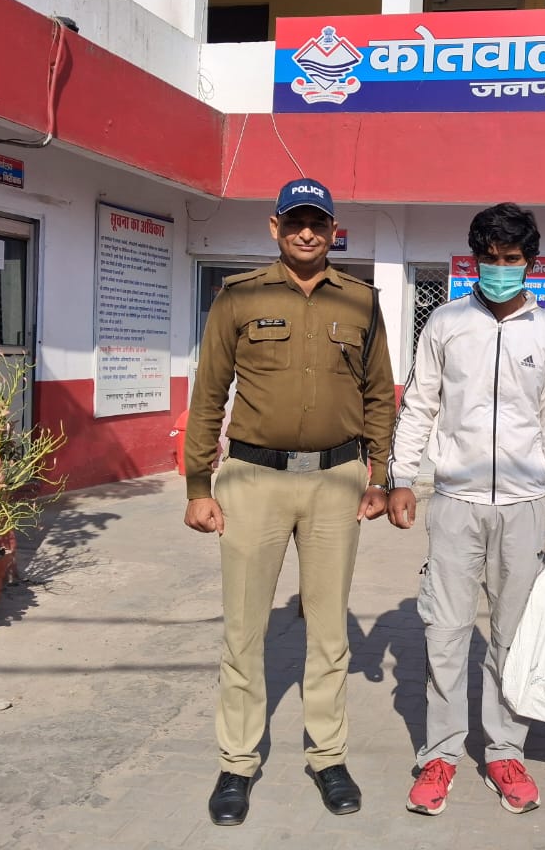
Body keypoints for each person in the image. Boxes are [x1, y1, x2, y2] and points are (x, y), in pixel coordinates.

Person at [184, 177, 396, 826]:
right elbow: (209, 392)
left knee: (329, 633)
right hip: (253, 480)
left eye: (319, 222)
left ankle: (328, 756)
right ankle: (237, 762)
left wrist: (380, 474)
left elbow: (379, 393)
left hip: (336, 481)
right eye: (296, 221)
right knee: (244, 632)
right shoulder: (240, 296)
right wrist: (197, 485)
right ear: (275, 227)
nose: (308, 232)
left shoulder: (361, 300)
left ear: (334, 230)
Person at [387, 202, 545, 817]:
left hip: (526, 509)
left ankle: (505, 750)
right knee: (445, 632)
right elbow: (419, 405)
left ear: (531, 262)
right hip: (455, 503)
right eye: (489, 259)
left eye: (511, 259)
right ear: (474, 260)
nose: (500, 269)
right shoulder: (445, 323)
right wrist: (401, 478)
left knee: (512, 635)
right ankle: (441, 753)